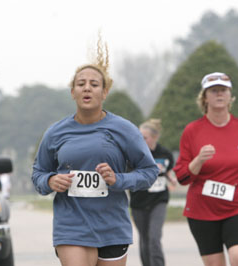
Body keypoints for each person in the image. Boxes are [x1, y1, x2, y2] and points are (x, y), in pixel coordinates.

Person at [31, 36, 159, 266]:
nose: (87, 88)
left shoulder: (123, 129)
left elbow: (149, 171)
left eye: (94, 84)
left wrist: (117, 179)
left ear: (104, 92)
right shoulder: (56, 132)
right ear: (73, 92)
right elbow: (39, 171)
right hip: (71, 224)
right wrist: (50, 181)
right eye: (80, 84)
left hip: (111, 225)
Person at [173, 72, 238, 266]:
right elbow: (182, 177)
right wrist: (198, 160)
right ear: (205, 97)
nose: (219, 95)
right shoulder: (192, 130)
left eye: (223, 90)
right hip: (202, 209)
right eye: (213, 91)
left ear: (230, 96)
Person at [129, 118, 175, 266]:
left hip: (158, 200)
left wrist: (170, 178)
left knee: (154, 237)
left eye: (145, 138)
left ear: (154, 137)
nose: (141, 141)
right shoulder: (133, 155)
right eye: (139, 138)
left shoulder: (165, 154)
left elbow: (166, 170)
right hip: (138, 202)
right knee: (144, 239)